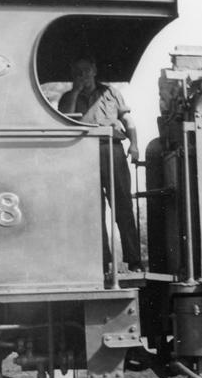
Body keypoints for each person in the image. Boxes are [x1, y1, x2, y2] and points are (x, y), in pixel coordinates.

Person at [58, 57, 143, 273]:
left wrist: (134, 145)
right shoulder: (68, 97)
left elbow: (128, 121)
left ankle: (134, 260)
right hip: (83, 152)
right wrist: (76, 92)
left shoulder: (111, 93)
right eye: (78, 72)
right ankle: (102, 262)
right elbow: (65, 121)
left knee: (123, 205)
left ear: (95, 70)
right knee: (92, 209)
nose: (83, 75)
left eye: (87, 70)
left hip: (112, 149)